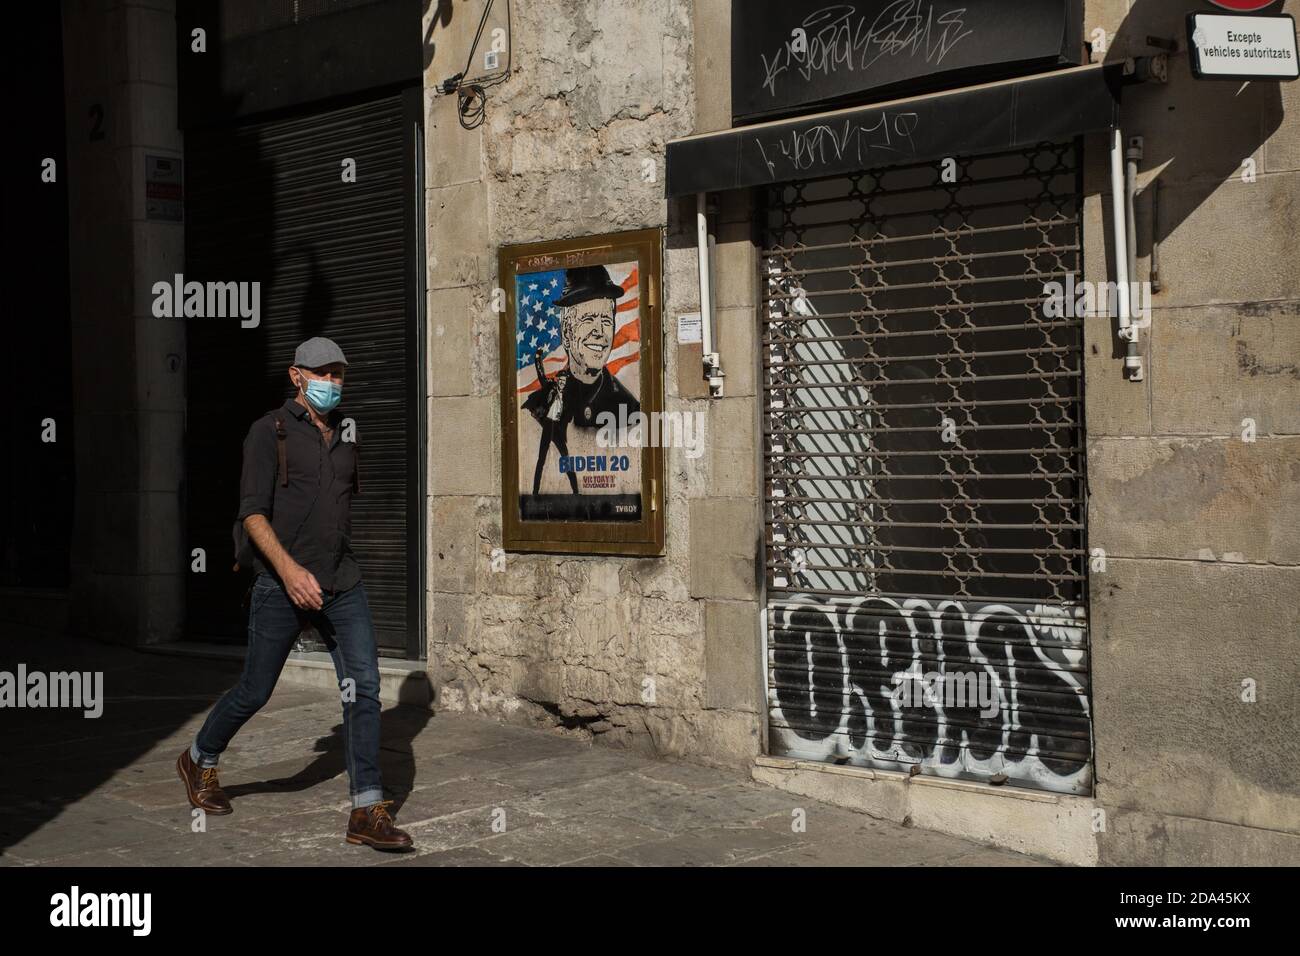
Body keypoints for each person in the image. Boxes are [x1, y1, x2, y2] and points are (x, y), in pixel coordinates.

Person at [177, 336, 412, 851]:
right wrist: (289, 572)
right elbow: (252, 515)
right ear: (296, 375)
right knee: (256, 690)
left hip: (342, 582)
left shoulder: (347, 435)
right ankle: (199, 758)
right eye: (322, 372)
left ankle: (367, 810)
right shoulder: (269, 432)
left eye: (339, 373)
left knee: (364, 687)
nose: (332, 381)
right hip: (282, 583)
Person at [521, 265, 640, 495]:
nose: (599, 331)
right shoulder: (538, 404)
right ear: (567, 330)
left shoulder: (628, 407)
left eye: (606, 320)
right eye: (588, 319)